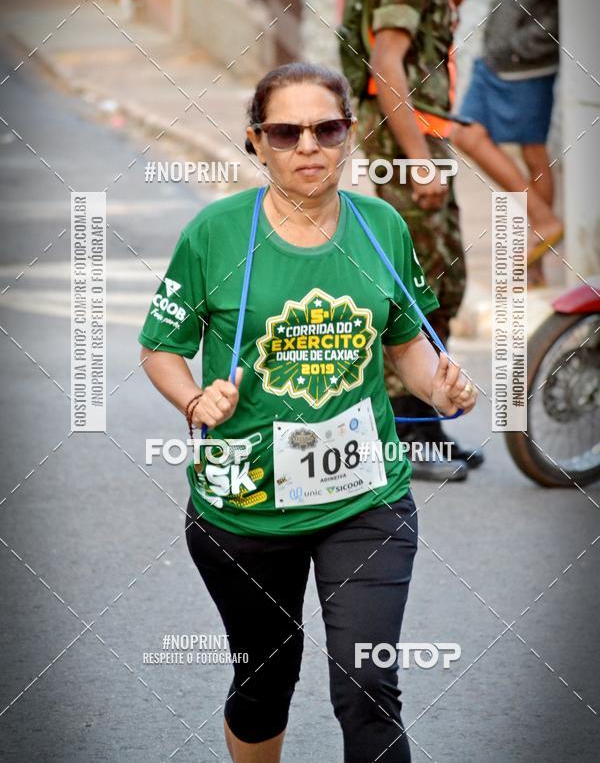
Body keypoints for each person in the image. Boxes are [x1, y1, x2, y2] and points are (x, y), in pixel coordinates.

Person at [138, 62, 477, 763]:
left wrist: (439, 391)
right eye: (285, 132)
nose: (308, 146)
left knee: (368, 686)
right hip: (246, 507)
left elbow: (407, 342)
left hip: (366, 496)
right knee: (265, 682)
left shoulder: (381, 226)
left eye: (327, 129)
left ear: (350, 134)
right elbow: (160, 347)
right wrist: (195, 399)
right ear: (256, 142)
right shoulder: (216, 234)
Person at [351, 0, 496, 480]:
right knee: (416, 290)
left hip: (421, 140)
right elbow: (387, 62)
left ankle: (426, 425)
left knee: (443, 283)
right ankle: (408, 437)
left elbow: (421, 49)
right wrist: (417, 162)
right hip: (408, 146)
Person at [453, 0, 561, 285]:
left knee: (529, 149)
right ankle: (543, 228)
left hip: (525, 59)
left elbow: (569, 0)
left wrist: (526, 43)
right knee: (471, 133)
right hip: (498, 54)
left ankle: (539, 252)